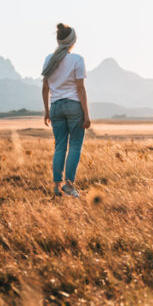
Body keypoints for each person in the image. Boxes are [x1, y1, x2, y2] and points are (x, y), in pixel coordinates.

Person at [42, 23, 91, 197]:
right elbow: (80, 88)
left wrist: (47, 111)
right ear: (72, 41)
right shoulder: (77, 59)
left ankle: (57, 187)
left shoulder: (49, 59)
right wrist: (86, 113)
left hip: (55, 107)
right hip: (73, 106)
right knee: (75, 145)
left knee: (60, 147)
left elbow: (45, 88)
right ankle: (69, 185)